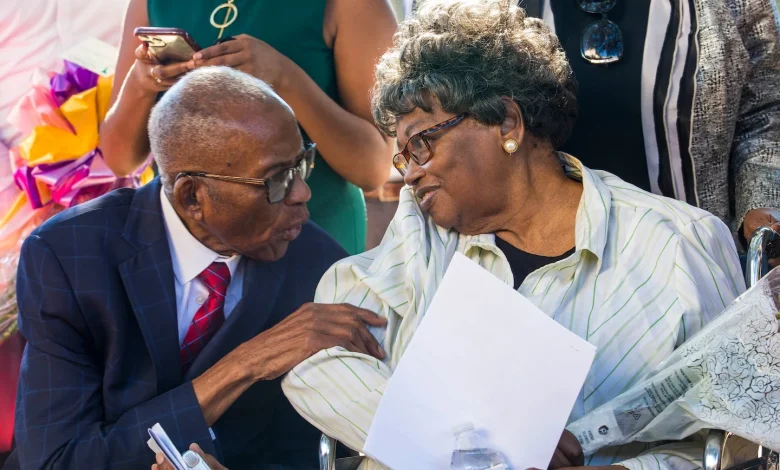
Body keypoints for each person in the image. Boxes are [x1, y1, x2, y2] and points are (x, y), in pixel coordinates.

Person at [280, 2, 748, 469]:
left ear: (507, 122)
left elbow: (726, 435)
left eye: (421, 143)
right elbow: (316, 361)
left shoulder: (678, 245)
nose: (412, 173)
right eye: (403, 157)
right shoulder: (420, 232)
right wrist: (481, 446)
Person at [6, 67, 387, 470]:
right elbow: (56, 460)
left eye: (301, 164)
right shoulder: (68, 256)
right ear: (192, 197)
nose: (302, 193)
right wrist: (246, 364)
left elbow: (303, 452)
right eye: (275, 179)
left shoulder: (317, 266)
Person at [98, 0, 398, 255]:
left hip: (306, 237)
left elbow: (373, 169)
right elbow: (120, 160)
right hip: (187, 248)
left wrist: (284, 78)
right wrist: (140, 84)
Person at [522, 0, 780, 264]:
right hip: (549, 273)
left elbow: (763, 114)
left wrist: (763, 202)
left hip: (695, 267)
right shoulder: (498, 9)